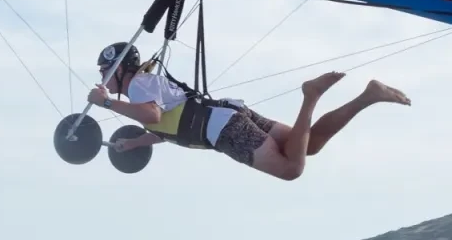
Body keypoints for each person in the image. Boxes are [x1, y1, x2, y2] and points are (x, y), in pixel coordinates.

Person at [86, 42, 407, 181]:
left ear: (118, 68)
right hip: (228, 116)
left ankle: (310, 96)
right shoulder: (146, 87)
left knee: (291, 169)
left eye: (104, 71)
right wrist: (134, 144)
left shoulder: (138, 86)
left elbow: (153, 116)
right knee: (308, 145)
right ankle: (368, 96)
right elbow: (166, 126)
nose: (102, 77)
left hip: (224, 130)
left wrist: (106, 103)